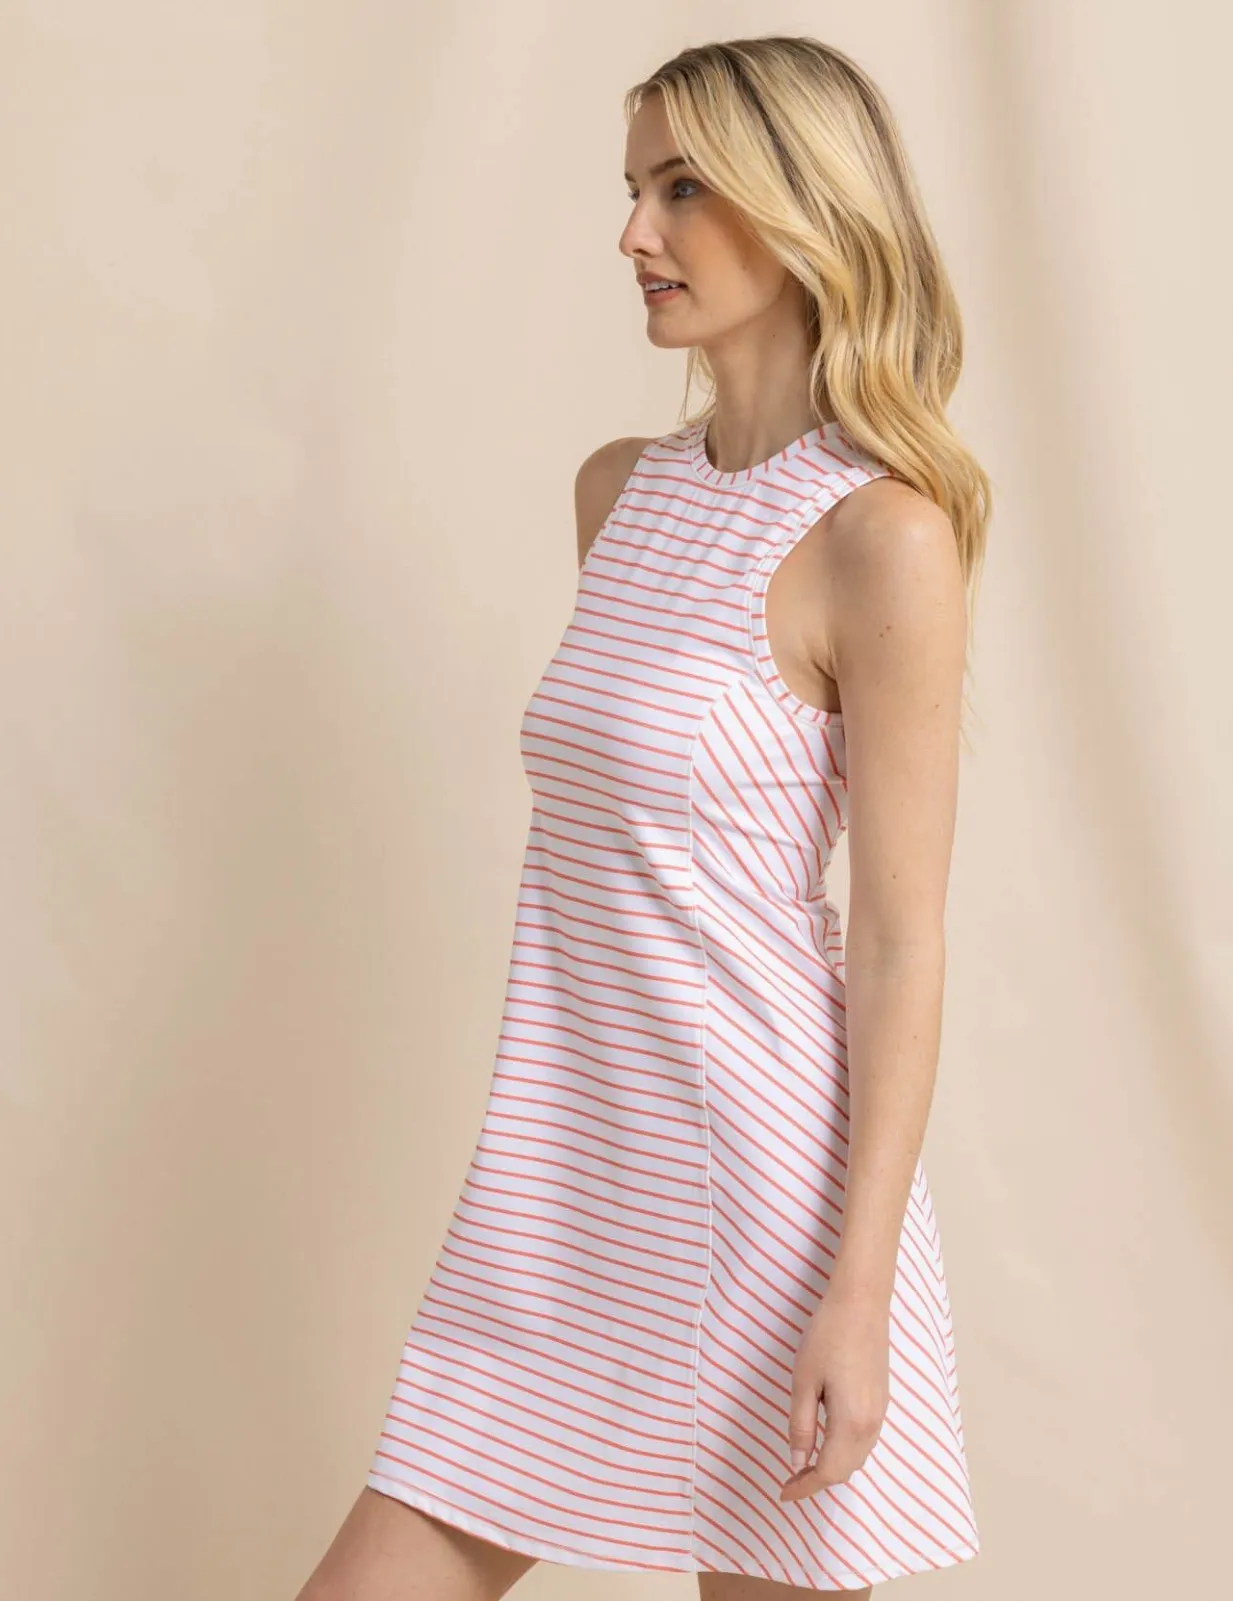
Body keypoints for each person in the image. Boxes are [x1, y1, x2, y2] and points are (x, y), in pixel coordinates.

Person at [295, 33, 991, 1601]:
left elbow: (898, 941)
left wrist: (860, 1288)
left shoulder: (883, 538)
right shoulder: (620, 494)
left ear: (804, 211)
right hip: (567, 1178)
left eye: (682, 189)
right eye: (631, 189)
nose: (633, 233)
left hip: (768, 1197)